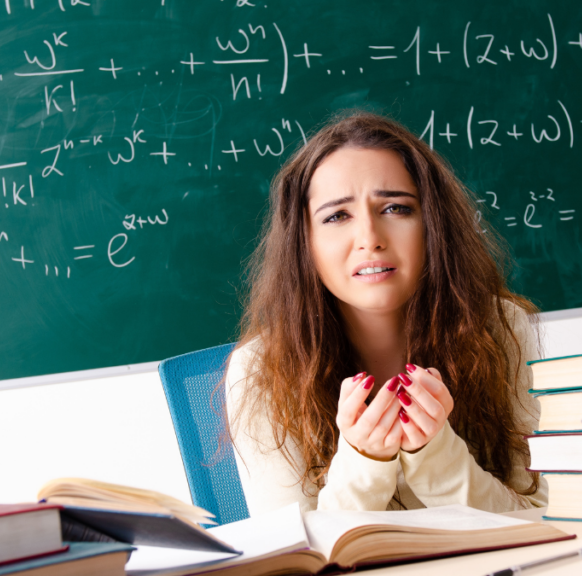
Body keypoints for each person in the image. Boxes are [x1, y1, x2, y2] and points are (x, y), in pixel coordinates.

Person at [224, 111, 546, 516]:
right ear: (303, 244)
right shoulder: (260, 368)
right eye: (337, 216)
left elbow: (538, 516)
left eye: (395, 208)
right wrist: (364, 462)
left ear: (433, 226)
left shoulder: (499, 329)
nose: (370, 239)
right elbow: (294, 555)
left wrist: (436, 454)